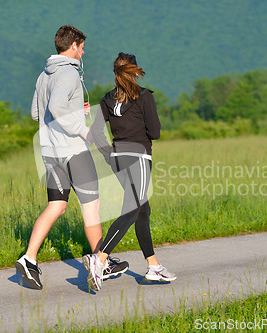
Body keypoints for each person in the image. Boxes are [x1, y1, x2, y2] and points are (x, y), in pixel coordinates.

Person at [15, 25, 128, 290]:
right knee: (91, 206)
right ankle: (102, 262)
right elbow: (56, 107)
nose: (84, 51)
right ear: (74, 45)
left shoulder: (44, 75)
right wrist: (83, 129)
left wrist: (76, 109)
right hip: (73, 151)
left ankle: (28, 259)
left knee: (57, 206)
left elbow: (37, 113)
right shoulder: (68, 73)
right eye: (82, 46)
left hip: (50, 152)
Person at [84, 52, 176, 291]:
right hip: (139, 158)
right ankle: (100, 258)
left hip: (118, 159)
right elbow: (154, 132)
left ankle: (153, 266)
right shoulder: (144, 97)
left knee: (143, 209)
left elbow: (95, 133)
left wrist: (110, 156)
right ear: (135, 72)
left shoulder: (106, 99)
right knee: (133, 209)